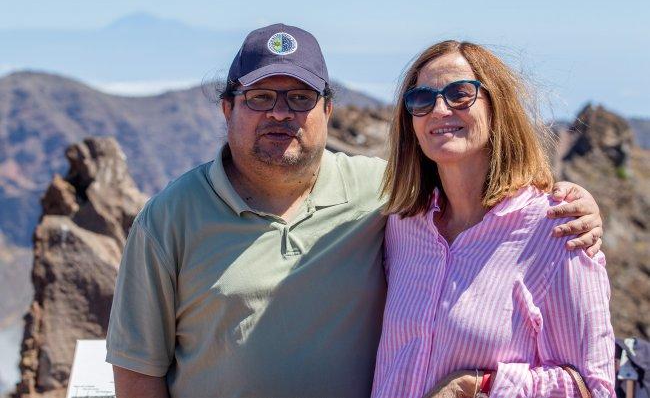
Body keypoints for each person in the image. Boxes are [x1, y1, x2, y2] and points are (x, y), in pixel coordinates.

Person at [106, 24, 605, 398]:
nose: (280, 112)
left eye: (300, 97)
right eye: (260, 97)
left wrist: (573, 204)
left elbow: (594, 381)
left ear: (328, 110)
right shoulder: (168, 218)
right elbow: (137, 370)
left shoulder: (382, 194)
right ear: (227, 109)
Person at [372, 40, 615, 398]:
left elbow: (596, 389)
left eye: (460, 94)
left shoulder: (558, 229)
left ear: (496, 105)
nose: (439, 109)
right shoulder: (401, 227)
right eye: (421, 98)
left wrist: (481, 386)